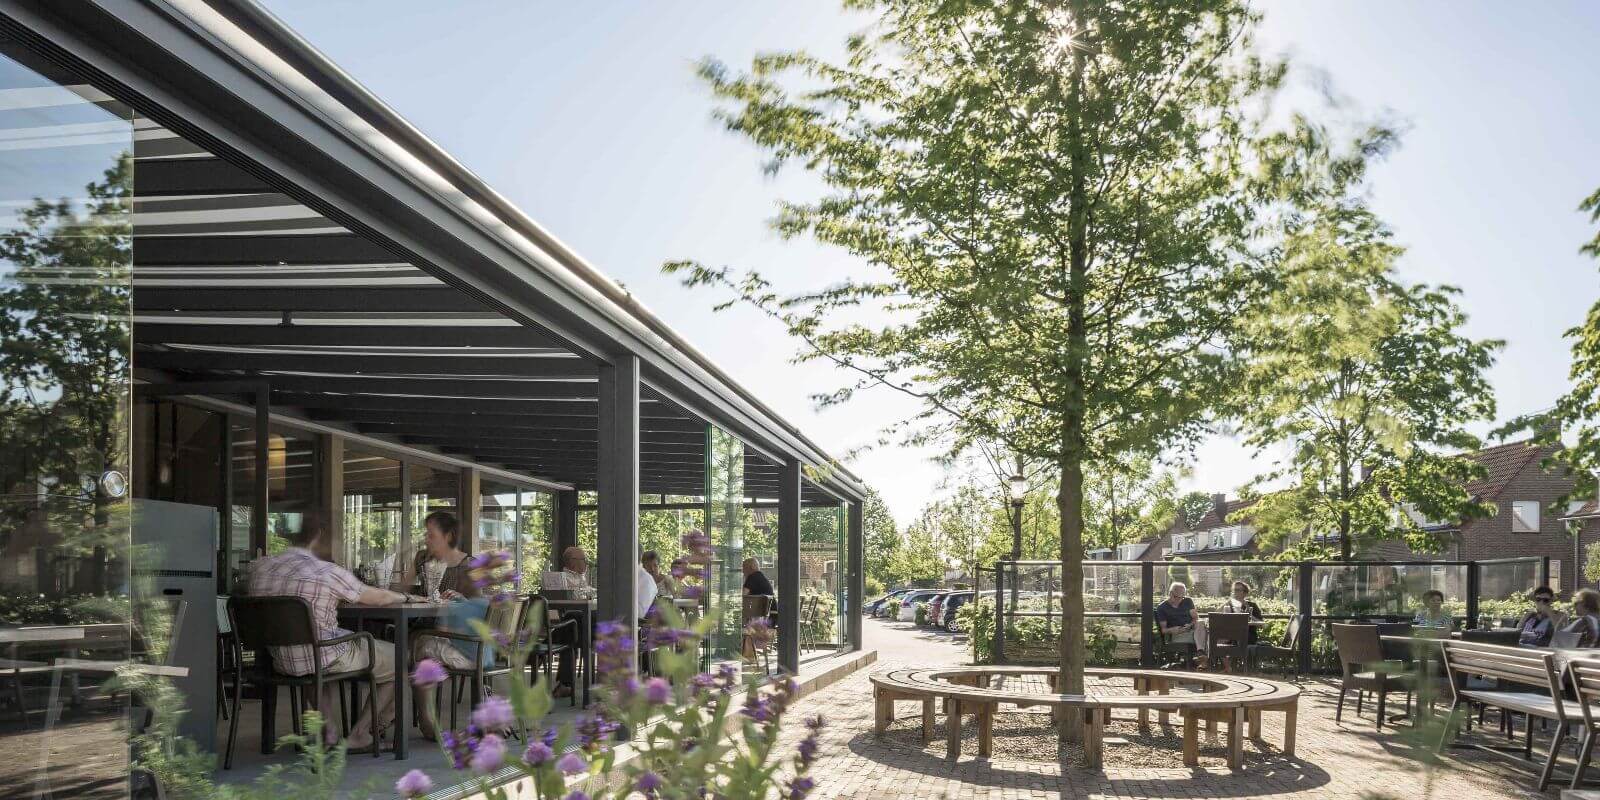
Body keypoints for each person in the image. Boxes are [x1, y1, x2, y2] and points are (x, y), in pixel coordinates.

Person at [247, 512, 405, 752]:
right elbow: (380, 597)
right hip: (321, 657)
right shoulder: (325, 571)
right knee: (400, 657)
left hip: (279, 659)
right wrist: (405, 595)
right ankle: (360, 734)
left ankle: (329, 732)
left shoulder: (260, 569)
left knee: (314, 648)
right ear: (320, 536)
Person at [410, 511, 478, 600]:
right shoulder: (422, 557)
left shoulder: (471, 564)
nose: (426, 540)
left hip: (455, 613)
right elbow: (403, 588)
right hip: (421, 613)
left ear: (448, 536)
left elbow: (479, 604)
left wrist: (462, 598)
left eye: (431, 536)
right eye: (426, 535)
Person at [1155, 582, 1200, 667]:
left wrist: (1190, 625)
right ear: (1170, 593)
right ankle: (1203, 660)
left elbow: (1195, 618)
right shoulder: (1162, 608)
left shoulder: (1187, 601)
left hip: (1192, 631)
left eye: (1182, 597)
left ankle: (1201, 659)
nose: (1179, 600)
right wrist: (1173, 629)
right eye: (1176, 597)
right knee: (1207, 636)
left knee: (1201, 625)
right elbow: (1164, 630)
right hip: (1178, 635)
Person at [1222, 580, 1265, 645]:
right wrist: (1228, 602)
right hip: (1230, 638)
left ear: (1245, 593)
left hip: (1248, 638)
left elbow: (1262, 625)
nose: (1235, 592)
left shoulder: (1252, 605)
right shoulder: (1228, 605)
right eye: (1234, 590)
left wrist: (1250, 616)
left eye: (1238, 590)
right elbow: (1215, 615)